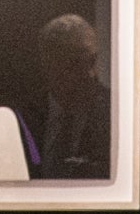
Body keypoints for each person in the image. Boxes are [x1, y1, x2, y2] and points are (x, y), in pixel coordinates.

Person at [31, 11, 109, 179]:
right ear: (48, 63)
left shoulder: (117, 114)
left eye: (92, 60)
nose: (90, 74)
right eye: (75, 62)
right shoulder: (23, 116)